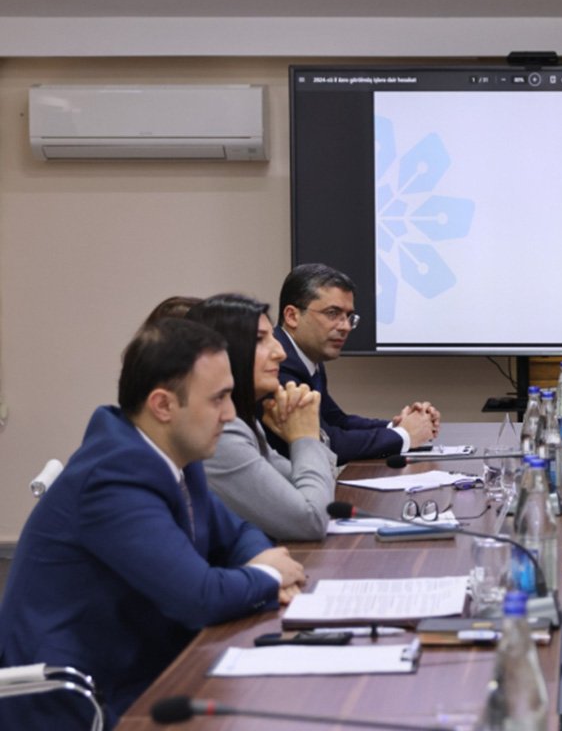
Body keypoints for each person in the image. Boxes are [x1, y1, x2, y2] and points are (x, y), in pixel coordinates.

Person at [0, 319, 306, 729]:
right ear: (163, 406)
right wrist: (270, 575)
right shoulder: (113, 477)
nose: (231, 414)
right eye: (218, 399)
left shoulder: (175, 454)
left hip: (146, 666)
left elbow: (238, 534)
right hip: (79, 701)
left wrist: (263, 562)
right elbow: (198, 597)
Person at [188, 294, 337, 541]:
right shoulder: (222, 432)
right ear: (220, 353)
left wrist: (308, 435)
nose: (280, 352)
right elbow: (310, 520)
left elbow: (319, 486)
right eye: (260, 340)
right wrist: (305, 437)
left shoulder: (243, 419)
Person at [269, 263, 440, 464]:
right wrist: (405, 435)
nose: (345, 327)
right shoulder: (276, 364)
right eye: (332, 313)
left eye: (349, 317)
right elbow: (326, 442)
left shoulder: (306, 356)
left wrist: (398, 426)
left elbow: (336, 420)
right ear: (292, 316)